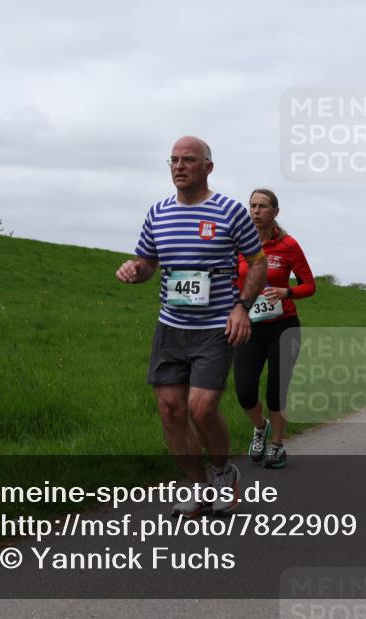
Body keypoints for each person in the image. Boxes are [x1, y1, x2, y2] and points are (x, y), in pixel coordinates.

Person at [116, 136, 267, 517]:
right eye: (174, 160)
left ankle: (223, 473)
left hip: (216, 326)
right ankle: (197, 487)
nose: (179, 166)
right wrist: (135, 271)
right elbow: (147, 262)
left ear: (207, 167)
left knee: (201, 409)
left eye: (188, 160)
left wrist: (242, 307)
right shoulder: (158, 212)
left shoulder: (230, 212)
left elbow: (258, 262)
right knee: (170, 409)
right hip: (171, 326)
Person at [233, 188, 316, 470]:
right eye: (252, 206)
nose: (256, 211)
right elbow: (231, 281)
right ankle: (260, 427)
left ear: (275, 212)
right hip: (249, 327)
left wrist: (286, 292)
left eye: (263, 206)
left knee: (276, 391)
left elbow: (309, 285)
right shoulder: (239, 244)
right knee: (244, 391)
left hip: (283, 326)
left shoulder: (289, 245)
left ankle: (278, 445)